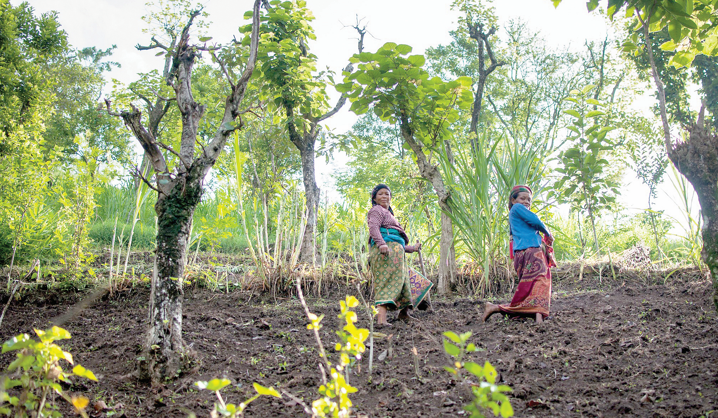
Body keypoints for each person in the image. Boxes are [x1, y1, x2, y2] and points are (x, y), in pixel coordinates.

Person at [482, 185, 554, 324]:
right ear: (513, 200)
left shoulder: (516, 214)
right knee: (541, 282)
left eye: (529, 200)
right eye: (522, 198)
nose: (526, 202)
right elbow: (536, 221)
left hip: (524, 253)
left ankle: (536, 317)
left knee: (532, 286)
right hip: (531, 251)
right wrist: (547, 232)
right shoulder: (517, 208)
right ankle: (499, 308)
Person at [367, 184, 423, 327]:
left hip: (396, 252)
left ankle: (404, 314)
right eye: (381, 194)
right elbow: (373, 228)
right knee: (386, 282)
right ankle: (381, 320)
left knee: (405, 282)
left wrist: (413, 248)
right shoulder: (376, 210)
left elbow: (398, 242)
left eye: (387, 194)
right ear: (374, 198)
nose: (385, 196)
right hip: (385, 251)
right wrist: (381, 244)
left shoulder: (389, 215)